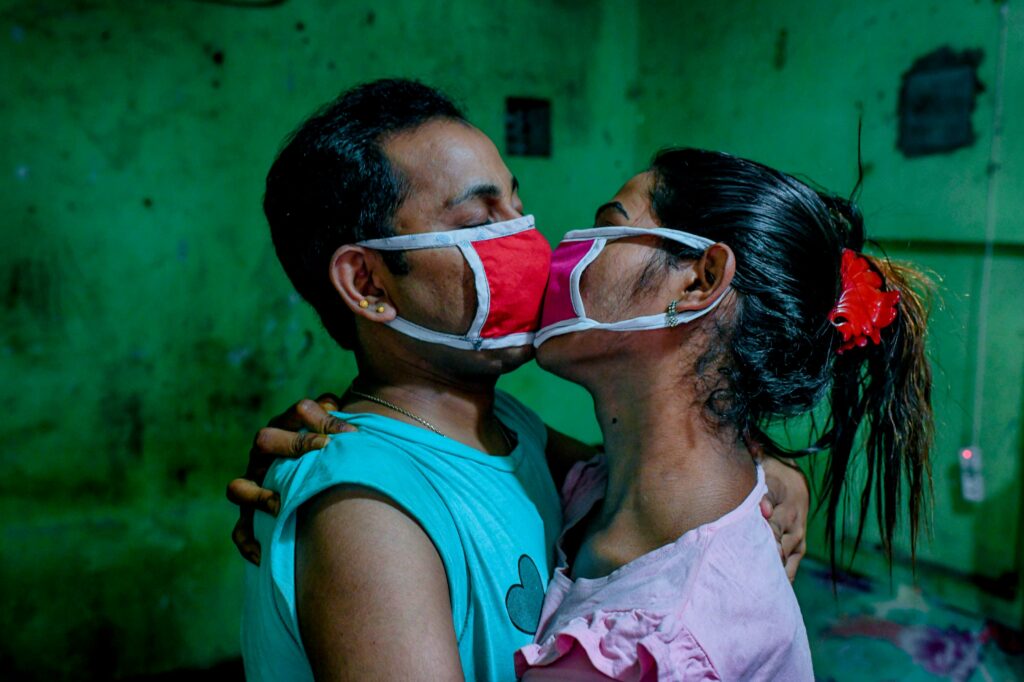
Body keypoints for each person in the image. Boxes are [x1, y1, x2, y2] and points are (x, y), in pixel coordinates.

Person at [232, 78, 811, 682]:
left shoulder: (507, 428)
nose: (530, 242)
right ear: (370, 284)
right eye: (482, 220)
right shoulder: (365, 510)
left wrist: (770, 473)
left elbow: (647, 473)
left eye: (516, 204)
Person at [513, 149, 933, 680]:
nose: (571, 248)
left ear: (699, 281)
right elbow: (501, 431)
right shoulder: (616, 488)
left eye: (608, 226)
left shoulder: (660, 643)